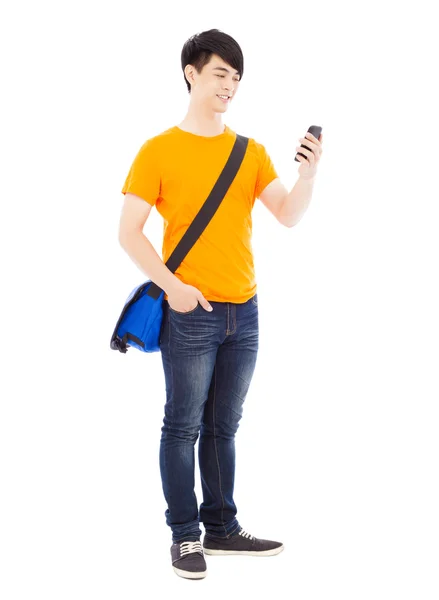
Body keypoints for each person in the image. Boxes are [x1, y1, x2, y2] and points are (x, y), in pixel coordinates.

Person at [118, 28, 323, 580]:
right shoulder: (158, 150)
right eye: (219, 74)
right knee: (182, 425)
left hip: (245, 311)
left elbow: (287, 214)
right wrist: (175, 286)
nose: (228, 86)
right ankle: (185, 536)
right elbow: (129, 232)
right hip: (190, 312)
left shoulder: (249, 151)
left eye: (235, 77)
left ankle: (223, 529)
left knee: (224, 426)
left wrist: (307, 176)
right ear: (191, 73)